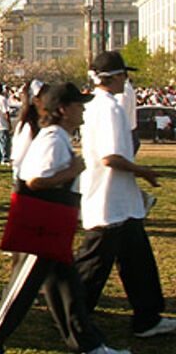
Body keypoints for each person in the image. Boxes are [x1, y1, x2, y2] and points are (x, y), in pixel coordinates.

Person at [0, 82, 129, 354]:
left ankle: (89, 346)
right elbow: (35, 181)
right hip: (40, 229)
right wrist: (71, 171)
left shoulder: (57, 136)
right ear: (62, 110)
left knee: (68, 291)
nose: (83, 109)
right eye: (78, 105)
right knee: (20, 294)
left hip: (52, 229)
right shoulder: (52, 139)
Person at [76, 51, 176, 338]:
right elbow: (110, 157)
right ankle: (71, 314)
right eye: (124, 74)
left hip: (119, 201)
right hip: (111, 199)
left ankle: (148, 317)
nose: (127, 80)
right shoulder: (109, 108)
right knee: (91, 266)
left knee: (138, 262)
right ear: (115, 77)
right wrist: (142, 170)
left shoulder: (96, 105)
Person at [10, 80, 48, 180]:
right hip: (27, 179)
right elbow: (18, 157)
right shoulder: (28, 126)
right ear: (35, 100)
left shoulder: (41, 123)